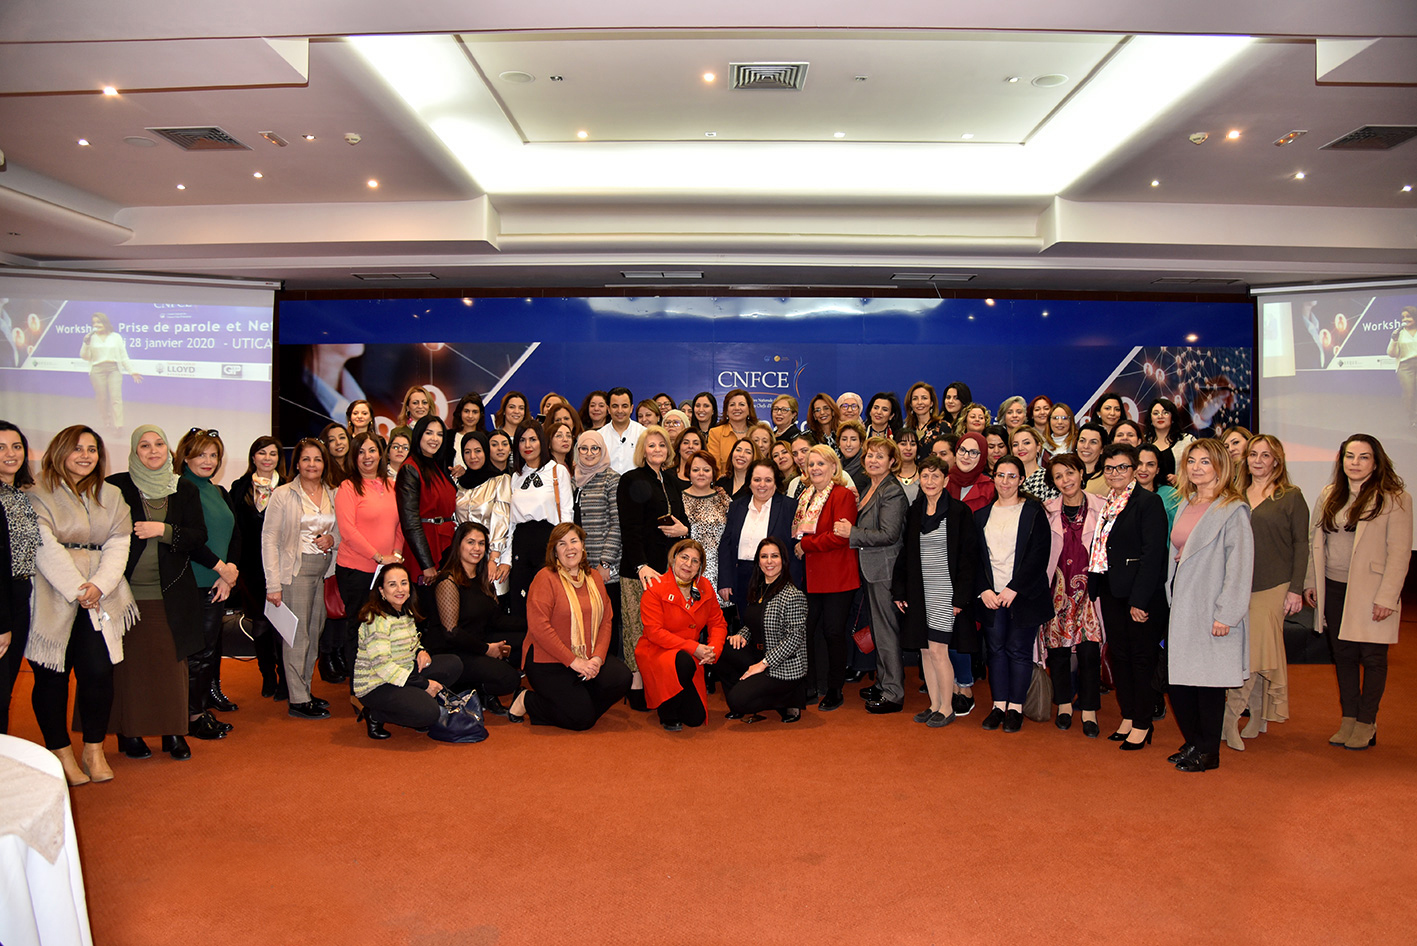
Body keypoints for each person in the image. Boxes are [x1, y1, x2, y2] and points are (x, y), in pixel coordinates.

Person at [26, 425, 136, 785]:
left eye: (92, 449)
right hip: (51, 593)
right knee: (52, 676)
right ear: (60, 451)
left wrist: (99, 585)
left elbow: (119, 540)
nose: (86, 456)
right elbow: (42, 543)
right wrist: (76, 588)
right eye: (77, 448)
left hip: (101, 596)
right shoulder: (37, 491)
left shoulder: (112, 494)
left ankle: (93, 750)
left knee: (99, 672)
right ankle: (61, 754)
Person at [1304, 434, 1412, 750]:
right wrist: (1312, 580)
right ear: (1341, 460)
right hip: (1334, 587)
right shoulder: (1329, 494)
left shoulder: (1396, 499)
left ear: (1376, 462)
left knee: (1373, 657)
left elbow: (1399, 553)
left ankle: (1367, 722)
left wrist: (1387, 597)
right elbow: (1315, 542)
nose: (1355, 463)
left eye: (1364, 457)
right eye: (1350, 456)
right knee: (1344, 655)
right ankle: (1349, 718)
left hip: (1371, 590)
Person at [105, 426, 205, 761]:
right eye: (144, 446)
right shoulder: (116, 486)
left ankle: (173, 732)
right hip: (125, 594)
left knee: (170, 668)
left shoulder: (184, 488)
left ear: (168, 449)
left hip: (169, 594)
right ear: (134, 451)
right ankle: (130, 733)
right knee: (129, 670)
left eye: (159, 444)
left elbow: (197, 536)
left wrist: (164, 530)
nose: (153, 450)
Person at [1166, 439, 1254, 772]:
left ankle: (1208, 751)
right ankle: (1193, 741)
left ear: (1220, 467)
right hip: (1183, 603)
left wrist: (1227, 614)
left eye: (1205, 461)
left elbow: (1240, 565)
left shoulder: (1232, 509)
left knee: (1208, 682)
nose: (1197, 467)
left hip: (1212, 606)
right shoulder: (1186, 502)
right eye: (1192, 461)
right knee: (1181, 681)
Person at [507, 523, 632, 730]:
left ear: (582, 545)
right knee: (582, 719)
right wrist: (574, 661)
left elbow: (606, 621)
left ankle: (577, 706)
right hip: (547, 659)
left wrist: (597, 659)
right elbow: (540, 628)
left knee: (621, 678)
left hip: (587, 654)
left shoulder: (594, 577)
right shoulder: (545, 578)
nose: (569, 548)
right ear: (554, 551)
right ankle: (527, 700)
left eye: (574, 541)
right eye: (562, 544)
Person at [1086, 442, 1169, 751]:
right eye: (1109, 468)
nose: (1115, 473)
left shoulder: (1148, 502)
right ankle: (1129, 714)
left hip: (1138, 597)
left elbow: (1153, 556)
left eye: (1122, 467)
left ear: (1134, 469)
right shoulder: (1109, 503)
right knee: (1119, 657)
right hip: (1111, 590)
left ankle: (1144, 722)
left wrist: (1139, 600)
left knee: (1141, 659)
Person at [1228, 434, 1305, 749]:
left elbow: (1302, 544)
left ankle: (1229, 718)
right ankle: (1258, 716)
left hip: (1274, 585)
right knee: (1258, 654)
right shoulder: (1234, 494)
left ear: (1277, 461)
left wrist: (1296, 589)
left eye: (1265, 455)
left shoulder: (1291, 496)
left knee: (1255, 651)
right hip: (1237, 585)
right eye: (1253, 454)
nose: (1258, 460)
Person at [893, 455, 977, 727]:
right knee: (925, 651)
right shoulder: (915, 511)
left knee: (939, 649)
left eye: (935, 476)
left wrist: (961, 597)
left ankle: (947, 707)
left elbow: (968, 558)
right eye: (925, 476)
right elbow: (905, 554)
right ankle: (934, 704)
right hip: (920, 592)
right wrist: (899, 591)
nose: (930, 481)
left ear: (946, 480)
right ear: (919, 478)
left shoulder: (959, 512)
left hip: (945, 592)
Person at [973, 456, 1053, 733]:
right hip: (991, 596)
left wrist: (1014, 588)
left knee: (1018, 651)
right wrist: (984, 589)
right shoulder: (981, 515)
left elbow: (1038, 556)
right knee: (995, 651)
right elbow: (974, 558)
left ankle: (1016, 708)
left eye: (1011, 476)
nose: (1005, 481)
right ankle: (999, 705)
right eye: (1000, 475)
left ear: (1021, 480)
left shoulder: (1033, 512)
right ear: (993, 477)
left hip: (1023, 595)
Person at [262, 438, 339, 721]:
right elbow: (269, 539)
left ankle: (305, 689)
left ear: (324, 463)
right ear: (296, 463)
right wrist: (273, 584)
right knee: (297, 636)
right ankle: (297, 699)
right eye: (306, 459)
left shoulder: (332, 492)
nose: (311, 464)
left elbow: (340, 531)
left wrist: (332, 539)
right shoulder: (283, 494)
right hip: (294, 572)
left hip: (323, 572)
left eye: (317, 459)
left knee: (314, 632)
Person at [172, 428, 243, 734]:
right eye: (201, 454)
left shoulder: (219, 492)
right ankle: (190, 717)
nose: (208, 461)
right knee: (194, 656)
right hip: (191, 583)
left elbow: (235, 535)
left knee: (207, 654)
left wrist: (230, 572)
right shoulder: (178, 489)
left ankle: (198, 712)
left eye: (214, 455)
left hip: (218, 583)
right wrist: (221, 569)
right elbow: (188, 540)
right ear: (185, 456)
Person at [616, 425, 688, 709]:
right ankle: (636, 684)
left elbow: (683, 520)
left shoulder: (671, 481)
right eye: (651, 445)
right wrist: (641, 565)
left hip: (669, 569)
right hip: (640, 570)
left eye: (661, 445)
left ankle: (660, 681)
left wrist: (684, 530)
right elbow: (629, 528)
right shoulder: (631, 479)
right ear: (642, 450)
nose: (657, 449)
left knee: (664, 629)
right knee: (637, 626)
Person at [352, 562, 463, 739]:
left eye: (404, 583)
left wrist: (421, 651)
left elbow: (413, 643)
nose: (400, 589)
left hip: (403, 671)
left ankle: (413, 701)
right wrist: (424, 684)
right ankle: (374, 714)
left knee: (453, 664)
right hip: (377, 683)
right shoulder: (376, 619)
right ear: (381, 591)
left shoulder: (405, 611)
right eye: (392, 584)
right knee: (429, 713)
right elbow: (383, 667)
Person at [837, 437, 908, 714]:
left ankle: (893, 693)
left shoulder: (892, 491)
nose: (873, 460)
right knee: (878, 629)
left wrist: (852, 533)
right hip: (871, 569)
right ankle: (883, 682)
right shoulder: (871, 487)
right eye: (869, 455)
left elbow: (889, 534)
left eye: (880, 456)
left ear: (892, 462)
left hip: (885, 572)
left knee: (886, 631)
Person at [792, 444, 860, 710]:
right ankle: (811, 685)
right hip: (811, 576)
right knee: (808, 631)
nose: (815, 468)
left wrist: (806, 545)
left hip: (837, 575)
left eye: (821, 463)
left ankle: (834, 688)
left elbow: (840, 536)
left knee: (833, 632)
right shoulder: (806, 496)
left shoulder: (843, 494)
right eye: (811, 464)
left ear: (833, 467)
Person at [636, 539, 728, 731]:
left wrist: (713, 650)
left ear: (700, 567)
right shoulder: (656, 587)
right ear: (674, 558)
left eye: (695, 561)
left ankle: (676, 699)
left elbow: (718, 623)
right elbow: (654, 633)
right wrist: (694, 648)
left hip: (690, 656)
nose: (688, 564)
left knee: (695, 719)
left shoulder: (705, 587)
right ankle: (667, 711)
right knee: (683, 662)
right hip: (657, 651)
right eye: (684, 557)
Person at [430, 522, 523, 712]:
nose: (477, 548)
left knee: (529, 639)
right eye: (470, 542)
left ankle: (477, 683)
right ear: (458, 545)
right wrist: (486, 649)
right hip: (454, 651)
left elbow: (497, 620)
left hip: (479, 640)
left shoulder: (482, 578)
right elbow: (451, 633)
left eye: (481, 543)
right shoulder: (448, 581)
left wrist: (533, 623)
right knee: (510, 679)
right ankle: (475, 690)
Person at [1043, 453, 1105, 737]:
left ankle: (1090, 709)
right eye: (1058, 476)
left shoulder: (1102, 507)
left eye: (1069, 473)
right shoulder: (1047, 511)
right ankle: (1064, 705)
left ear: (1081, 473)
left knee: (1090, 652)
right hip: (1057, 589)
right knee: (1057, 652)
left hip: (1091, 592)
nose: (1065, 480)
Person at [334, 432, 404, 682]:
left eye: (372, 450)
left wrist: (395, 556)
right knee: (359, 627)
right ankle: (358, 685)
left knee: (383, 628)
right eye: (361, 452)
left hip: (386, 571)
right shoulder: (347, 487)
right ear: (354, 456)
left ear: (380, 454)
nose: (367, 456)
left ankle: (382, 680)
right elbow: (347, 530)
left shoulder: (391, 485)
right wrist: (378, 557)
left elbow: (400, 525)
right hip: (356, 571)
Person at [718, 537, 808, 723]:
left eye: (774, 556)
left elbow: (794, 639)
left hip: (782, 666)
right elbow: (754, 623)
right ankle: (749, 690)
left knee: (737, 701)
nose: (769, 561)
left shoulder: (793, 595)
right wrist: (741, 635)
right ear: (758, 561)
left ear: (783, 560)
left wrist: (763, 664)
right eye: (764, 556)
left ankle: (789, 699)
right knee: (723, 649)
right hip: (759, 654)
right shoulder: (758, 588)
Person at [230, 436, 287, 699]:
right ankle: (268, 676)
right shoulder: (239, 487)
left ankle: (286, 679)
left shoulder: (288, 487)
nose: (267, 458)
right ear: (253, 457)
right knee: (261, 625)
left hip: (282, 567)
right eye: (262, 453)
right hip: (251, 568)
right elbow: (234, 529)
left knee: (282, 627)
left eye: (273, 454)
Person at [508, 419, 575, 622]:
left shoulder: (557, 471)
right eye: (522, 440)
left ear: (542, 442)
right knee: (521, 607)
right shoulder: (515, 476)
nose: (527, 445)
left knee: (549, 607)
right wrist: (505, 558)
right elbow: (510, 522)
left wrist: (565, 550)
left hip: (547, 544)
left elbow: (567, 513)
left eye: (533, 439)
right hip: (520, 545)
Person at [718, 458, 802, 606]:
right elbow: (726, 545)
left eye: (768, 480)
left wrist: (792, 584)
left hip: (777, 579)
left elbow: (795, 549)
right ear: (749, 482)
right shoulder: (737, 507)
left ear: (776, 482)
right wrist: (725, 581)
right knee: (745, 620)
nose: (762, 485)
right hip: (741, 579)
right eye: (757, 479)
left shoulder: (789, 507)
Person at [0, 421, 38, 734]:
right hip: (2, 601)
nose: (10, 453)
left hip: (20, 595)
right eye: (0, 447)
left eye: (16, 446)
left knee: (5, 691)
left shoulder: (20, 494)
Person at [571, 430, 622, 658]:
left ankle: (608, 667)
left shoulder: (611, 479)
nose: (589, 453)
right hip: (579, 565)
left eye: (595, 448)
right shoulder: (573, 480)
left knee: (607, 622)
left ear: (603, 451)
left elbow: (617, 524)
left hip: (604, 568)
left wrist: (605, 563)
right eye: (584, 448)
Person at [396, 415, 457, 588]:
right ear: (418, 434)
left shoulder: (437, 465)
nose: (434, 439)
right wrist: (426, 564)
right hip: (425, 547)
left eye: (439, 434)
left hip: (446, 542)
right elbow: (410, 522)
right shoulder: (410, 468)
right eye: (429, 433)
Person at [455, 431, 513, 596]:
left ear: (486, 452)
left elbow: (502, 522)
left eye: (478, 451)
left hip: (491, 557)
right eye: (467, 452)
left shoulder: (500, 480)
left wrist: (494, 558)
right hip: (464, 560)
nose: (473, 456)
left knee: (491, 602)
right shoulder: (460, 483)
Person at [681, 452, 732, 606]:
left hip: (720, 571)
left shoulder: (723, 498)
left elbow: (731, 537)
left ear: (713, 473)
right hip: (688, 569)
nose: (701, 474)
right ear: (689, 473)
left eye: (706, 469)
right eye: (696, 470)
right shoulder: (679, 499)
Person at [79, 312, 142, 435]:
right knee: (102, 398)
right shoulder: (90, 338)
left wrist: (132, 371)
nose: (96, 325)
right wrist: (86, 343)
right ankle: (106, 420)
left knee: (116, 398)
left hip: (114, 369)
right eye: (94, 323)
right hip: (97, 370)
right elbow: (84, 356)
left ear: (105, 323)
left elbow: (123, 356)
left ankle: (118, 426)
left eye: (99, 322)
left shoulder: (116, 337)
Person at [707, 388, 757, 471]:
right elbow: (714, 467)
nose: (737, 408)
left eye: (741, 404)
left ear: (749, 410)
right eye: (732, 405)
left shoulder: (757, 433)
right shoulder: (715, 433)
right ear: (726, 411)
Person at [1135, 444, 1182, 530]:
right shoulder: (1123, 494)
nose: (1143, 469)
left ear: (1158, 470)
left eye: (1150, 464)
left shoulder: (1172, 495)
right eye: (1139, 463)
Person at [1146, 397, 1192, 484]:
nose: (1160, 416)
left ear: (1173, 418)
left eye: (1165, 413)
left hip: (1178, 490)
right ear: (1150, 419)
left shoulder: (1186, 441)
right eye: (1156, 413)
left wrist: (1181, 478)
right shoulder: (1143, 441)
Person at [946, 432, 995, 512]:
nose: (966, 457)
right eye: (962, 450)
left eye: (973, 453)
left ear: (982, 457)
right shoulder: (943, 482)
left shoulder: (990, 488)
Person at [603, 387, 646, 475]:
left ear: (631, 408)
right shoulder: (599, 436)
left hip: (637, 482)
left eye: (624, 406)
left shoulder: (644, 433)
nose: (620, 411)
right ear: (608, 409)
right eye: (615, 406)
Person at [1011, 426, 1058, 501]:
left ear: (1038, 447)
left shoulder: (1048, 478)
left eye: (1026, 443)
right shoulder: (1008, 478)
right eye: (1015, 445)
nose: (1020, 448)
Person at [1390, 306, 1417, 427]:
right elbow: (1391, 353)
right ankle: (1413, 418)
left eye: (1408, 316)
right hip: (1406, 367)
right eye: (1403, 317)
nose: (1405, 319)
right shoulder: (1399, 333)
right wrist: (1394, 340)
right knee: (1409, 393)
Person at [904, 382, 945, 452]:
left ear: (931, 403)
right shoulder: (906, 428)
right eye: (915, 399)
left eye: (924, 398)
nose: (919, 402)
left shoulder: (943, 427)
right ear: (910, 404)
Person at [1076, 423, 1107, 495]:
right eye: (1082, 441)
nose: (1086, 446)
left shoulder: (1108, 477)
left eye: (1093, 442)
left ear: (1102, 449)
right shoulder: (1066, 471)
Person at [836, 420, 868, 487]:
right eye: (844, 439)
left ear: (861, 443)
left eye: (853, 439)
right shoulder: (835, 467)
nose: (848, 444)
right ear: (839, 442)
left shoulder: (867, 467)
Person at [893, 430, 921, 503]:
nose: (908, 448)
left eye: (913, 444)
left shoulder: (924, 474)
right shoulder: (887, 474)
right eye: (903, 444)